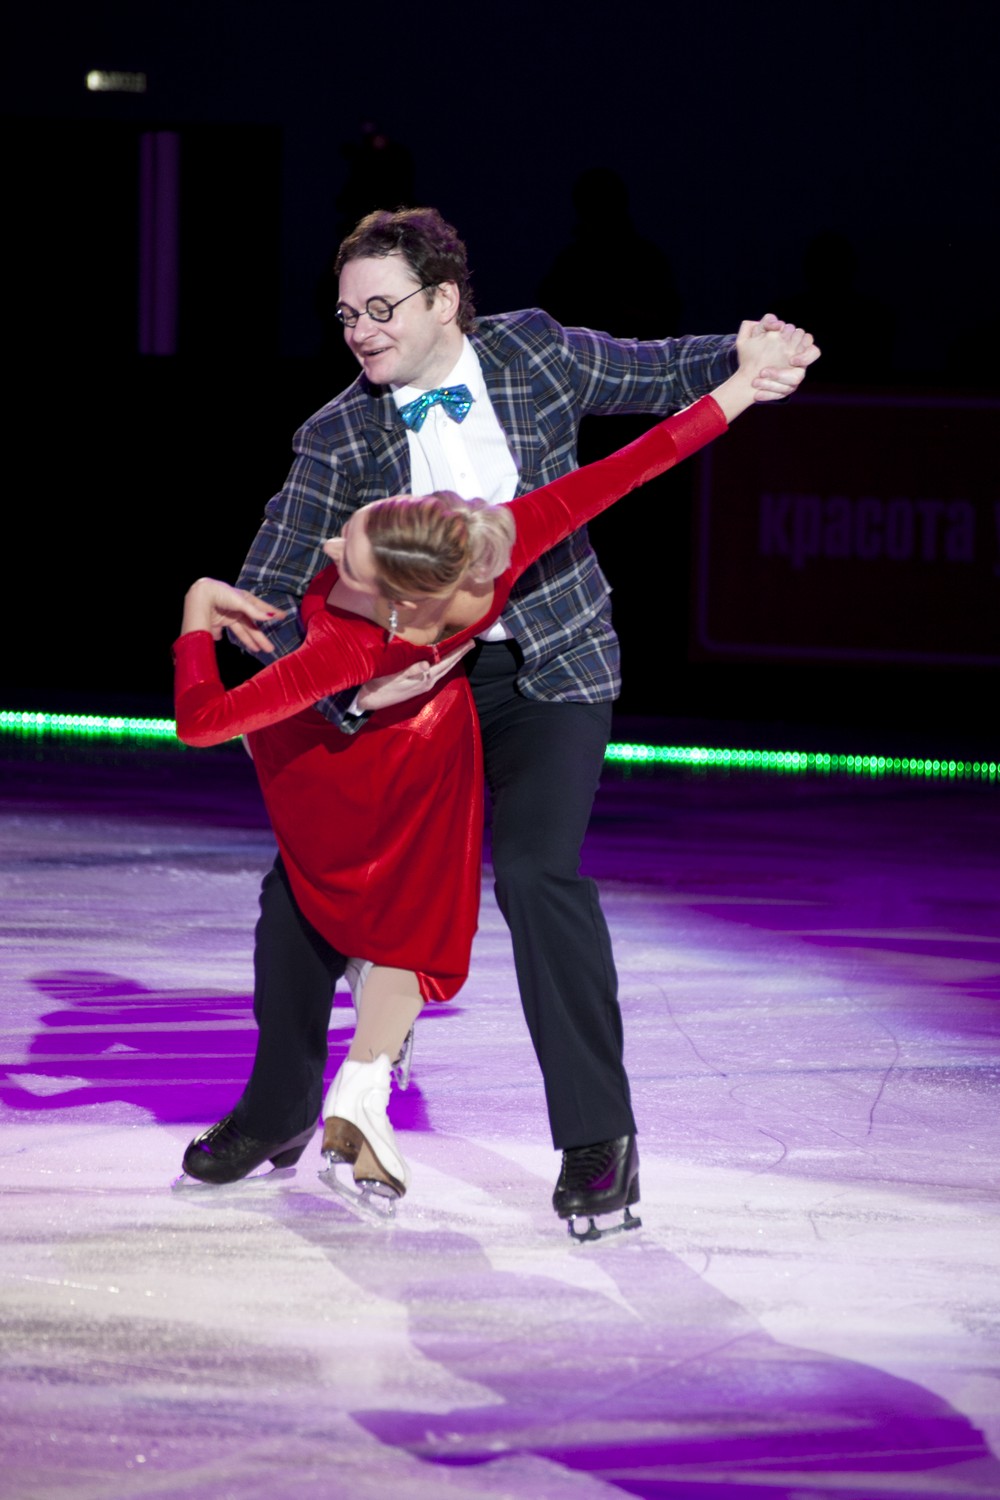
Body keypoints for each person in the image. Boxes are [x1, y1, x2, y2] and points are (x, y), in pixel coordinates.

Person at [183, 206, 819, 1231]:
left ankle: (598, 1139)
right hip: (414, 700)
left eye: (381, 308)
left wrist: (748, 354)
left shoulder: (532, 352)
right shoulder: (339, 434)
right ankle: (280, 1108)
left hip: (554, 672)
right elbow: (261, 598)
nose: (359, 331)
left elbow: (659, 379)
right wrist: (352, 687)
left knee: (534, 872)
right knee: (301, 889)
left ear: (443, 300)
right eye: (346, 314)